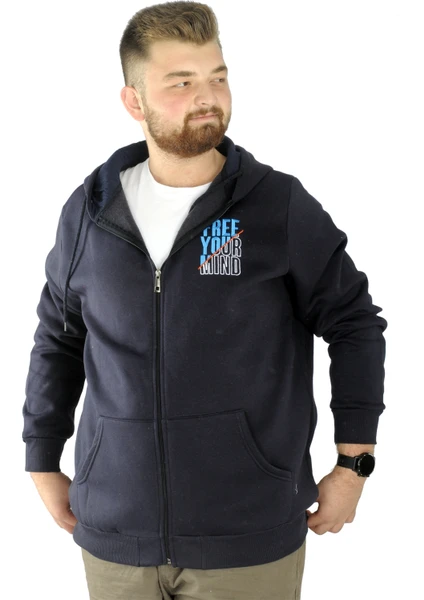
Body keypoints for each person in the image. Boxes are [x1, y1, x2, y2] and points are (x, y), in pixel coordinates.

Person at [22, 2, 387, 599]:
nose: (207, 97)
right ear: (134, 102)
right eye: (181, 83)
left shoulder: (276, 206)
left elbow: (355, 323)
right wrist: (41, 456)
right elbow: (58, 337)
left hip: (247, 538)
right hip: (115, 537)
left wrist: (354, 463)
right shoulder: (89, 212)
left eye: (217, 77)